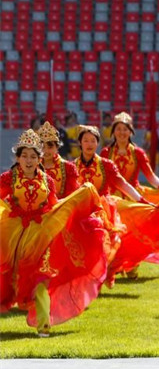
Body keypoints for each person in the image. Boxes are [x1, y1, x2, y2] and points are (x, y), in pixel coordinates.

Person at [1, 130, 110, 337]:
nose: (29, 160)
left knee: (40, 279)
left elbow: (54, 206)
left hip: (41, 234)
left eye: (33, 156)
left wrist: (76, 202)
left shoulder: (47, 181)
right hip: (12, 234)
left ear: (40, 158)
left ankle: (43, 326)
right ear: (17, 157)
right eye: (25, 156)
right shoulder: (9, 178)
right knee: (7, 277)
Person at [77, 125, 159, 284]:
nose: (89, 144)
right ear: (80, 143)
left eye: (92, 140)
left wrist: (148, 199)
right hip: (85, 208)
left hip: (111, 204)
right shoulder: (74, 165)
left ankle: (126, 266)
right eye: (85, 140)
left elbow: (127, 184)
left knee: (128, 235)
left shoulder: (112, 161)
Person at [37, 121, 80, 199]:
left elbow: (71, 197)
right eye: (42, 147)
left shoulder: (68, 168)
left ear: (57, 147)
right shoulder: (32, 167)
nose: (45, 151)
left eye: (50, 147)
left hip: (62, 208)